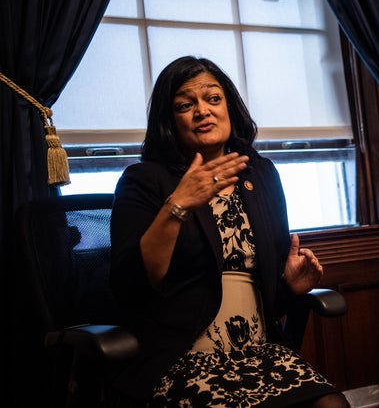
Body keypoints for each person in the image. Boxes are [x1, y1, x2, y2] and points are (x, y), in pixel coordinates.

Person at [109, 55, 350, 408]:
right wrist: (178, 205)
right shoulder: (145, 182)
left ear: (229, 108)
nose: (202, 111)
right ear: (169, 120)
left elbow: (263, 293)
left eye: (213, 98)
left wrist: (291, 287)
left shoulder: (261, 176)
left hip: (260, 352)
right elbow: (133, 285)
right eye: (184, 105)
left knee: (331, 405)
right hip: (181, 360)